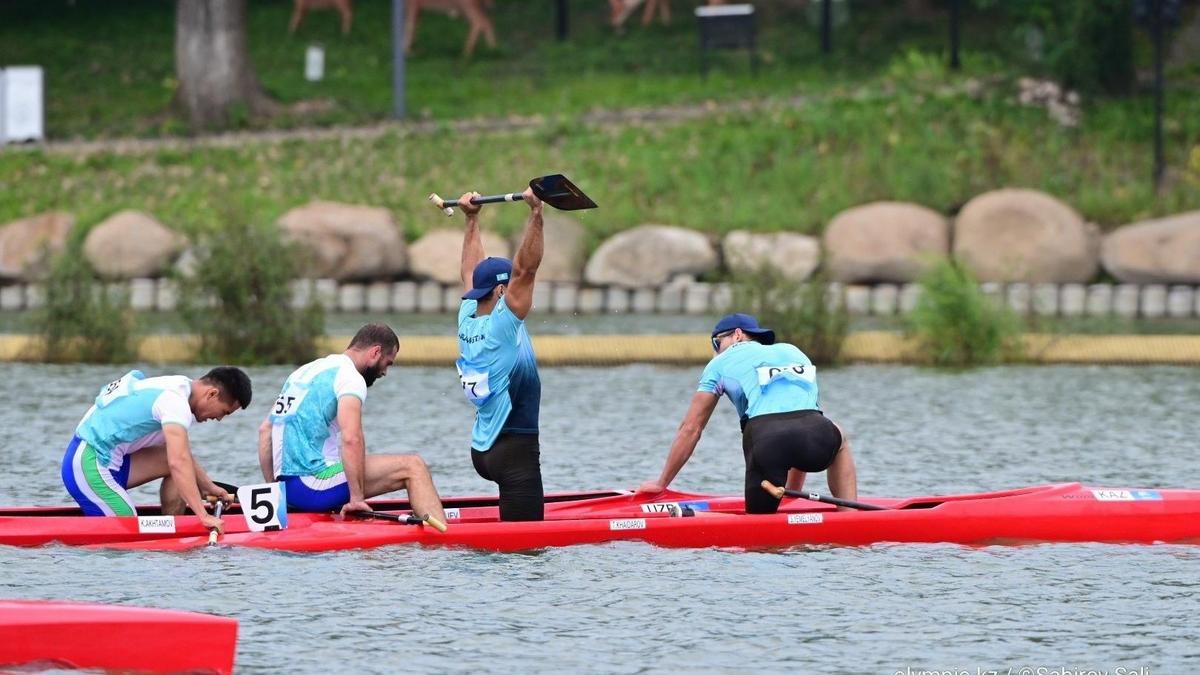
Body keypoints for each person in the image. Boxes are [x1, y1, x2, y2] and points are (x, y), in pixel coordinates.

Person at [637, 313, 859, 514]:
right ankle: (850, 517)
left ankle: (696, 518)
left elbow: (691, 428)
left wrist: (661, 483)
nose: (715, 351)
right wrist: (790, 495)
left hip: (766, 440)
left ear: (737, 335)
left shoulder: (719, 363)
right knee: (838, 435)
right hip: (816, 433)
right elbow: (802, 416)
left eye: (717, 343)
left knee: (761, 539)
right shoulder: (794, 351)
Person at [259, 323, 445, 522]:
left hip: (289, 489)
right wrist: (356, 498)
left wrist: (277, 493)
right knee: (413, 466)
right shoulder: (350, 377)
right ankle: (445, 537)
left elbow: (265, 431)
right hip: (312, 486)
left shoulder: (303, 372)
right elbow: (351, 438)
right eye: (388, 363)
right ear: (375, 352)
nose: (385, 373)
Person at [62, 367, 253, 531]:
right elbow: (178, 462)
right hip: (88, 465)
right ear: (212, 394)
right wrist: (203, 516)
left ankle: (175, 533)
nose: (219, 419)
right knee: (128, 535)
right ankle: (174, 533)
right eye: (224, 412)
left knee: (171, 460)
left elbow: (182, 456)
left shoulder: (180, 385)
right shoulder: (175, 402)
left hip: (113, 461)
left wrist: (209, 487)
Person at [454, 187, 545, 521]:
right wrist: (536, 215)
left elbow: (470, 270)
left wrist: (471, 220)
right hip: (515, 453)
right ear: (502, 290)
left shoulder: (466, 315)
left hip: (483, 450)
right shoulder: (502, 327)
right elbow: (526, 270)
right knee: (527, 557)